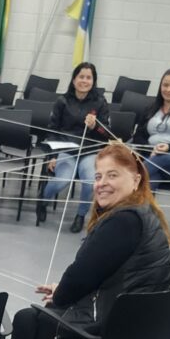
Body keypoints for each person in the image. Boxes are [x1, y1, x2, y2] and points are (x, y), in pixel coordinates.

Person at [2, 143, 170, 339]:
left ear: (136, 179)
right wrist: (63, 293)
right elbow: (106, 275)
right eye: (98, 176)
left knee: (26, 321)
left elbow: (79, 278)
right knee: (54, 314)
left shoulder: (123, 222)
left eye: (112, 175)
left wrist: (61, 294)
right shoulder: (145, 214)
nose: (102, 183)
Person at [35, 62, 110, 233]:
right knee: (62, 181)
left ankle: (80, 216)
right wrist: (52, 156)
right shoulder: (62, 101)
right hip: (65, 149)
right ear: (74, 79)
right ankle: (43, 200)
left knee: (90, 182)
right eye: (81, 77)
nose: (84, 81)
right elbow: (52, 130)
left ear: (93, 81)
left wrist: (95, 126)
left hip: (89, 151)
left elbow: (106, 133)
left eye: (88, 78)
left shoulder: (100, 102)